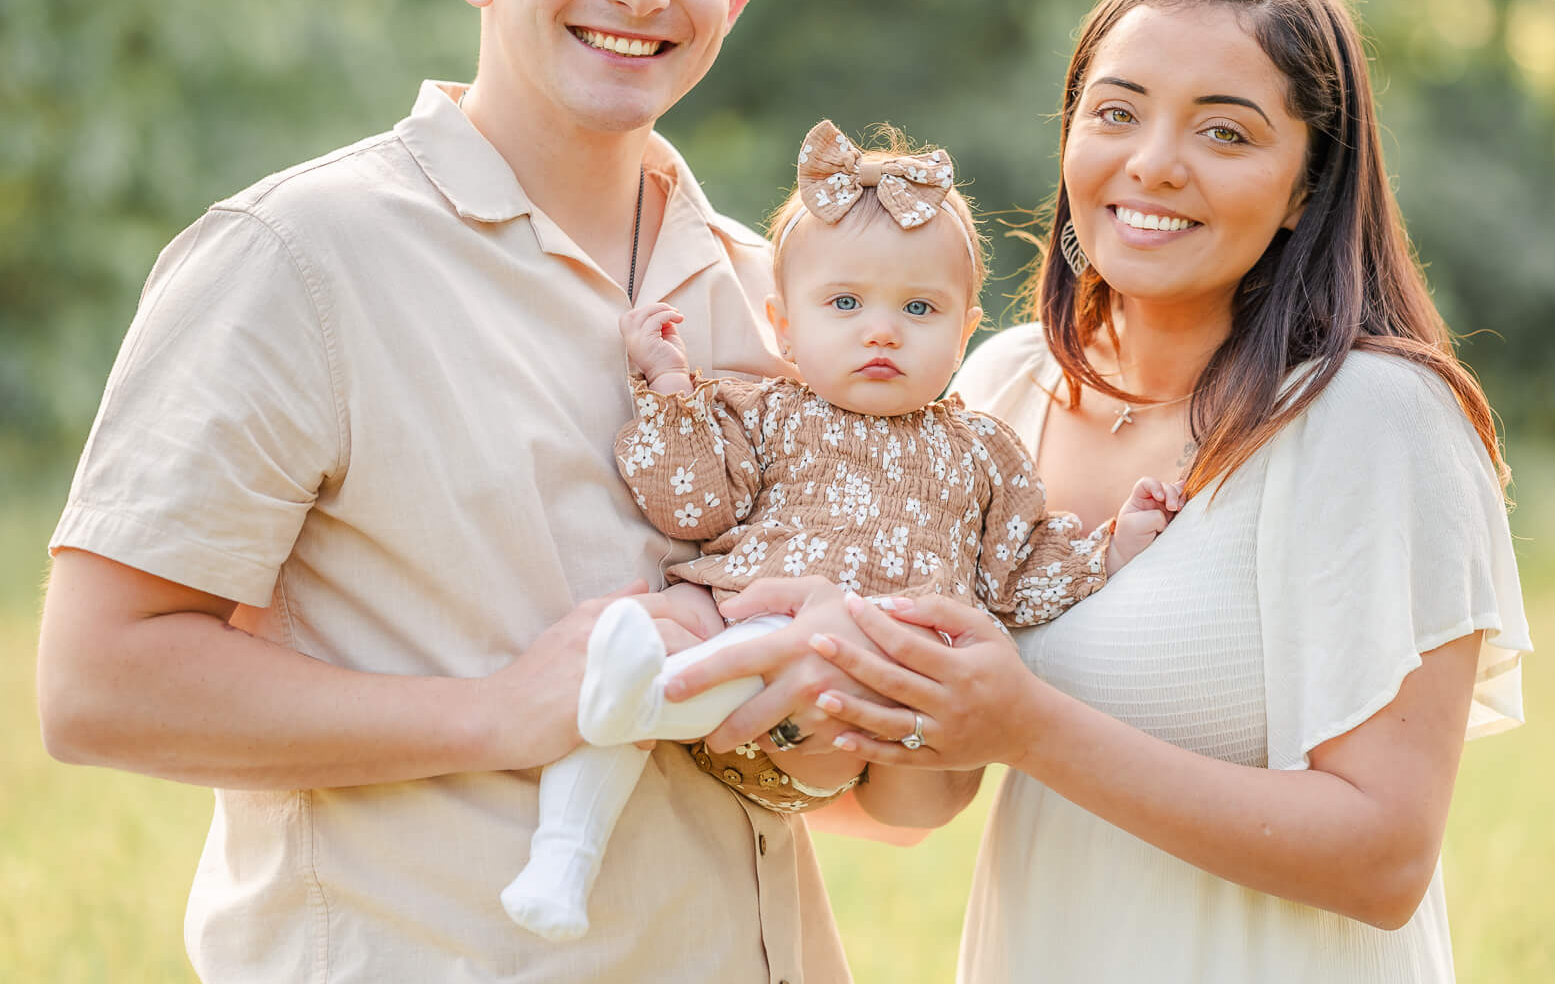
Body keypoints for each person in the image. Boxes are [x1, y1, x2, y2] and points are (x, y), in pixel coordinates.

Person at [34, 0, 882, 982]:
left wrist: (825, 696)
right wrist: (493, 711)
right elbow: (99, 681)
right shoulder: (296, 259)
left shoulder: (782, 296)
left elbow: (844, 771)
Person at [683, 0, 1534, 981]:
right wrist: (780, 688)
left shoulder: (1373, 419)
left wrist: (1029, 725)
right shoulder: (996, 391)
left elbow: (1382, 854)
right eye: (1115, 111)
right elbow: (915, 798)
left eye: (1224, 130)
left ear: (1305, 185)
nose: (1152, 163)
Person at [500, 119, 1180, 939]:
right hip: (734, 631)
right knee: (660, 624)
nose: (882, 329)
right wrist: (671, 384)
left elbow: (1020, 568)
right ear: (783, 326)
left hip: (849, 711)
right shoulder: (765, 413)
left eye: (919, 307)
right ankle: (565, 852)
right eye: (846, 303)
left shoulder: (981, 452)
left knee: (758, 685)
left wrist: (1114, 544)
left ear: (965, 330)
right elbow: (692, 506)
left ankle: (645, 701)